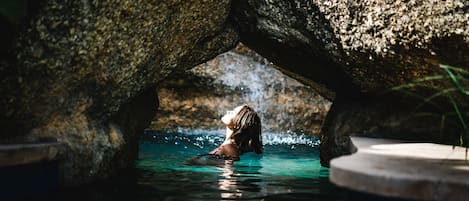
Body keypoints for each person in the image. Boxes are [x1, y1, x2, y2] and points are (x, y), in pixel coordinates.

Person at [188, 104, 263, 165]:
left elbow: (229, 173)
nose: (228, 111)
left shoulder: (229, 149)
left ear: (239, 123)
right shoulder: (230, 146)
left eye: (233, 112)